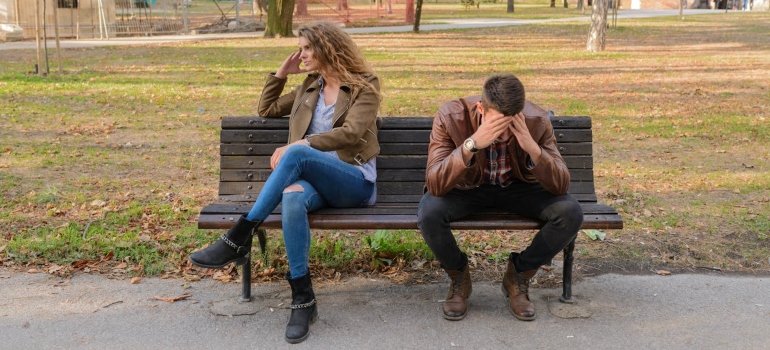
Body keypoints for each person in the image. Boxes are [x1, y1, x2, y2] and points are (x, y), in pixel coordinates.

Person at [189, 21, 381, 344]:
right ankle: (303, 299)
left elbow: (351, 134)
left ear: (326, 48)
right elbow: (265, 109)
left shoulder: (364, 84)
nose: (301, 54)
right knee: (292, 197)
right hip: (314, 182)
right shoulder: (309, 87)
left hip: (354, 181)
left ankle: (240, 235)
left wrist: (301, 145)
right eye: (301, 49)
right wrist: (281, 73)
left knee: (296, 155)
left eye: (307, 48)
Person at [417, 74, 583, 322]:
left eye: (510, 126)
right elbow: (436, 184)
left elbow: (560, 184)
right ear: (481, 108)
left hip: (518, 188)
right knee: (429, 212)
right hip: (467, 189)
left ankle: (519, 275)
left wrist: (530, 146)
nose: (503, 135)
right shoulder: (451, 116)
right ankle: (458, 276)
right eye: (496, 125)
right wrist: (471, 145)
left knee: (570, 212)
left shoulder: (536, 120)